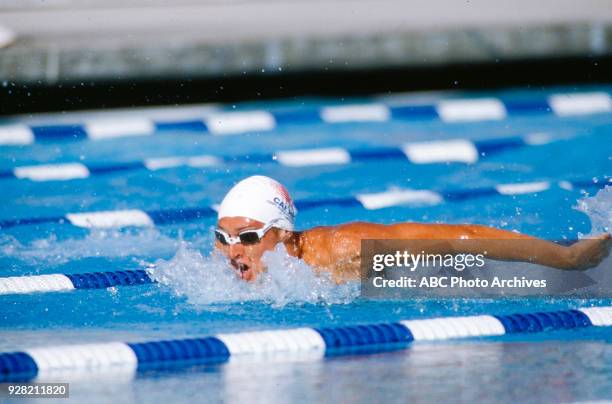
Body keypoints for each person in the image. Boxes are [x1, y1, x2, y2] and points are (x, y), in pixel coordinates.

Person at [214, 175, 610, 282]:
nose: (234, 253)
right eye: (223, 238)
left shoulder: (343, 248)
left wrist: (568, 257)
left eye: (248, 238)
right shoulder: (220, 276)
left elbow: (461, 239)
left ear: (283, 231)